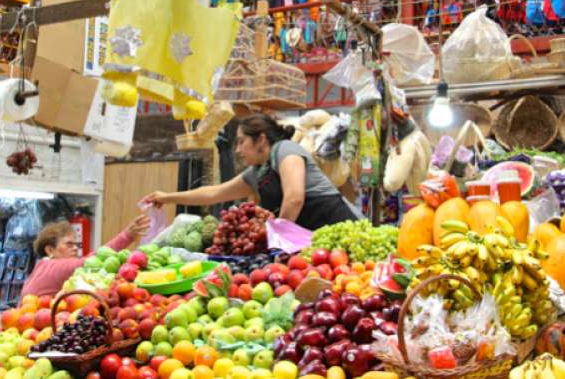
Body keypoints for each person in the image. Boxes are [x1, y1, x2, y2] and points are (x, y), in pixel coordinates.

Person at [141, 113, 361, 231]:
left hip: (338, 225)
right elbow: (215, 193)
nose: (237, 150)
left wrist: (279, 240)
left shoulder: (286, 149)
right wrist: (167, 197)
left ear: (261, 140)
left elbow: (294, 198)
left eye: (241, 142)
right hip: (314, 237)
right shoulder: (258, 172)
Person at [21, 214, 151, 298]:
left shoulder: (42, 266)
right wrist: (127, 236)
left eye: (76, 244)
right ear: (50, 250)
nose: (75, 248)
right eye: (69, 244)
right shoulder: (53, 267)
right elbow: (92, 259)